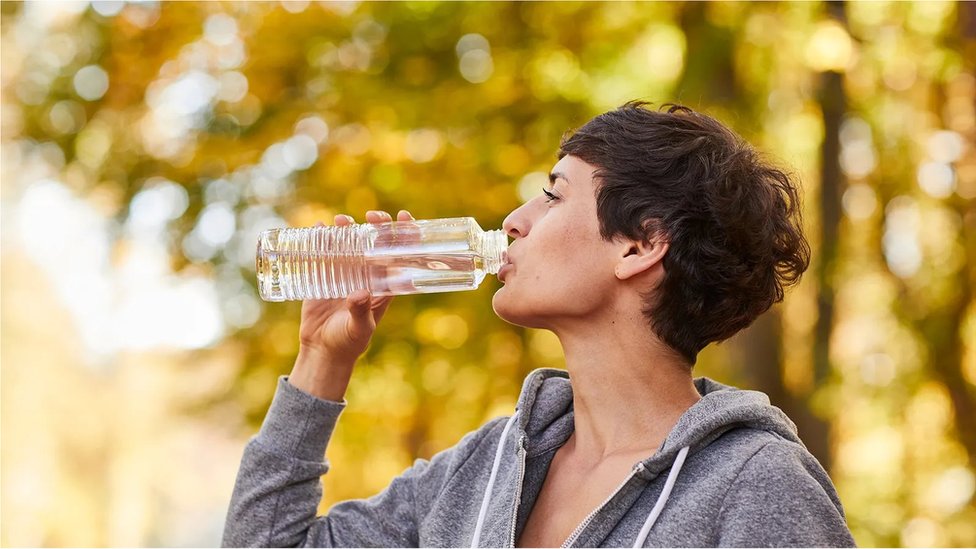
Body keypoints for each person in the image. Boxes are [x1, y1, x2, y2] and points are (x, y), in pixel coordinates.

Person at [222, 102, 856, 548]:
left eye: (553, 194)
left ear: (638, 247)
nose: (514, 220)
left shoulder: (755, 487)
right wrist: (321, 362)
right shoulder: (482, 470)